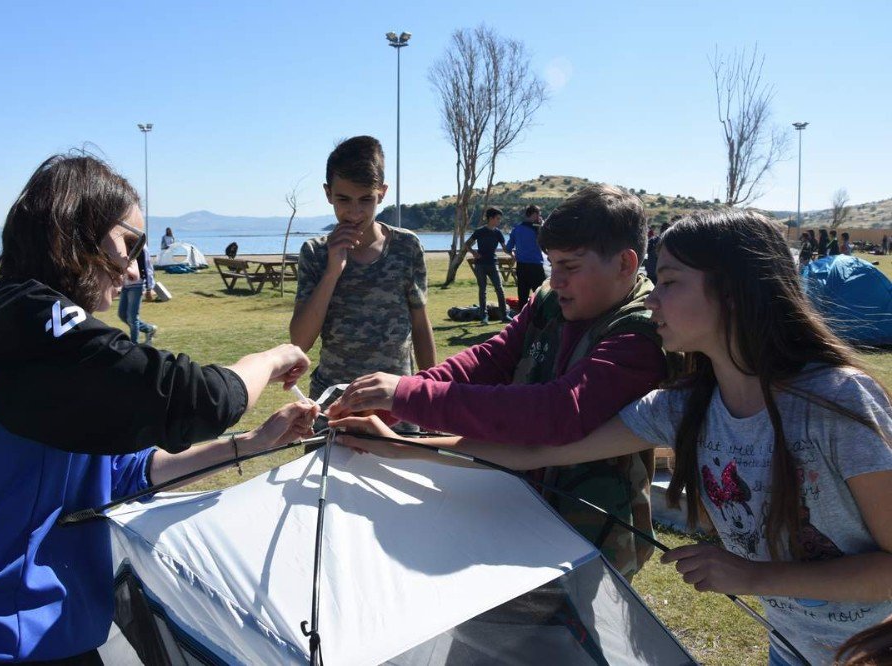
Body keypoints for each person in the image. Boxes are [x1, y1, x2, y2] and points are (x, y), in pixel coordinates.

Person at [335, 210, 892, 666]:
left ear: (737, 293)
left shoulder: (836, 406)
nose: (653, 299)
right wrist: (395, 444)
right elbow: (542, 450)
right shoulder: (681, 407)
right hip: (792, 646)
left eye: (670, 282)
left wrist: (753, 575)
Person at [0, 154, 318, 665]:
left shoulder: (42, 342)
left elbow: (125, 473)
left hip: (46, 632)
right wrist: (269, 360)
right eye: (130, 244)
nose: (136, 270)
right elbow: (195, 398)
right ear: (76, 227)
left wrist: (250, 445)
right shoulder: (21, 324)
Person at [330, 183, 668, 579]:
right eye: (551, 263)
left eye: (570, 267)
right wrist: (398, 399)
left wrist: (408, 395)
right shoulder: (550, 300)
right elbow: (492, 358)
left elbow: (559, 412)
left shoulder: (641, 335)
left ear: (626, 264)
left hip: (588, 533)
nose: (555, 279)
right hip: (514, 505)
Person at [289, 135, 436, 402]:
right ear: (328, 194)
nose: (355, 212)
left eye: (366, 200)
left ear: (382, 193)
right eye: (344, 200)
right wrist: (333, 270)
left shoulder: (407, 246)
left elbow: (420, 325)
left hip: (397, 401)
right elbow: (300, 341)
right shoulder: (315, 253)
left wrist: (432, 394)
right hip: (334, 403)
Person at [465, 207, 514, 324]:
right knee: (482, 290)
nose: (499, 221)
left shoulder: (498, 233)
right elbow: (467, 244)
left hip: (493, 263)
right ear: (491, 218)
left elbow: (504, 248)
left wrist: (512, 254)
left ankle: (504, 315)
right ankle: (484, 317)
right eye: (497, 218)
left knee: (500, 289)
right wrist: (473, 253)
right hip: (480, 264)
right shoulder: (479, 231)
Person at [505, 204, 546, 309]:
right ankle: (542, 319)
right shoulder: (537, 229)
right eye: (539, 214)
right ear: (535, 214)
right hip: (535, 266)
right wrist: (541, 226)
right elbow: (546, 243)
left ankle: (522, 321)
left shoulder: (517, 229)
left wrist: (514, 255)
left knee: (522, 295)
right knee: (541, 295)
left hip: (521, 266)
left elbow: (508, 248)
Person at [117, 243, 158, 343]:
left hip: (137, 285)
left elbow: (147, 265)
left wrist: (149, 288)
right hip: (125, 285)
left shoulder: (140, 245)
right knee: (122, 315)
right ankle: (149, 329)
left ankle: (133, 345)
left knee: (132, 318)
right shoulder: (120, 242)